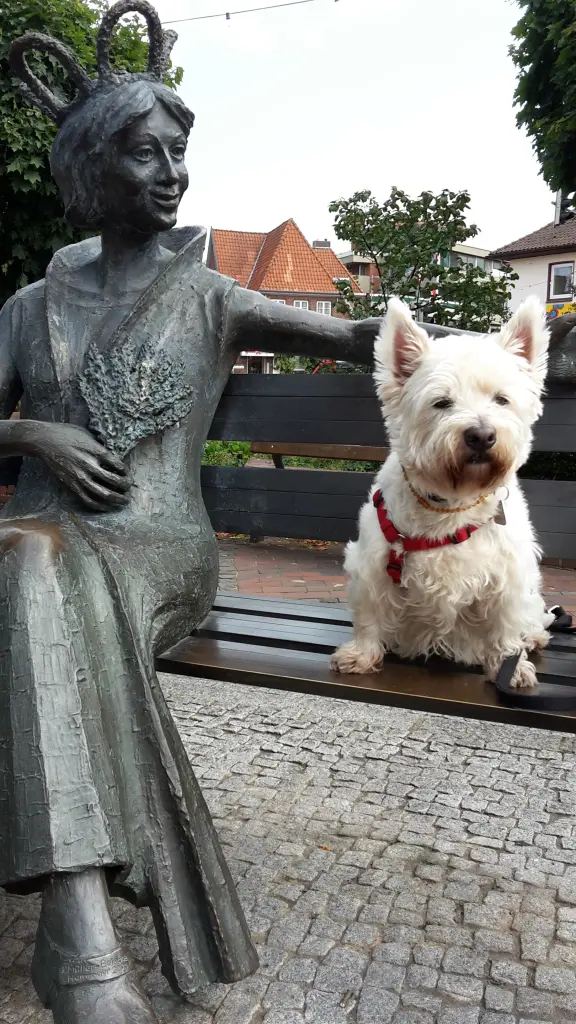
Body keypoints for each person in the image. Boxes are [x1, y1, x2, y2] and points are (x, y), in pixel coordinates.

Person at [1, 2, 386, 1021]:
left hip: (157, 551)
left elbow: (355, 333)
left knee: (27, 565)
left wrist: (494, 348)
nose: (170, 170)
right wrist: (28, 435)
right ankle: (78, 936)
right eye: (143, 151)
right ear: (91, 168)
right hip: (36, 548)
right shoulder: (25, 309)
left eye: (179, 151)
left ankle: (81, 946)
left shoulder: (216, 295)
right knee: (30, 563)